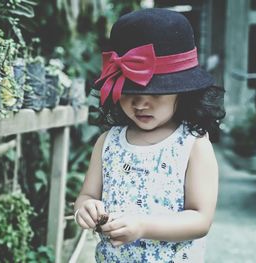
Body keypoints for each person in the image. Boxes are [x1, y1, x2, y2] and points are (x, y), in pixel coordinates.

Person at [74, 8, 225, 263]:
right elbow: (86, 196)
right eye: (130, 93)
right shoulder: (108, 142)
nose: (141, 104)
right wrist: (85, 209)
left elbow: (200, 218)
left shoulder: (192, 144)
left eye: (156, 93)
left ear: (182, 91)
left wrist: (143, 226)